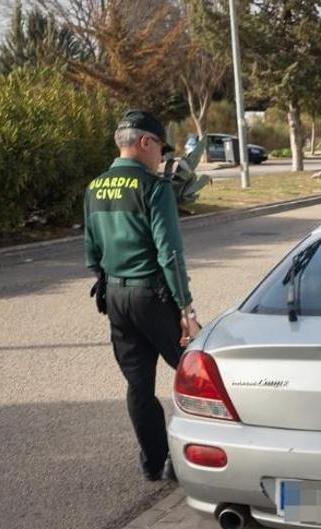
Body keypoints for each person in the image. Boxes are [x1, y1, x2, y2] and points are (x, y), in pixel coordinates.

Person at [85, 110, 201, 482]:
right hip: (153, 296)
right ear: (145, 142)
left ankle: (154, 462)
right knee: (195, 373)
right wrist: (186, 308)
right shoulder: (154, 188)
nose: (162, 159)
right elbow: (170, 253)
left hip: (116, 297)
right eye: (161, 150)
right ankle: (200, 457)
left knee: (138, 385)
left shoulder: (94, 188)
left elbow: (91, 253)